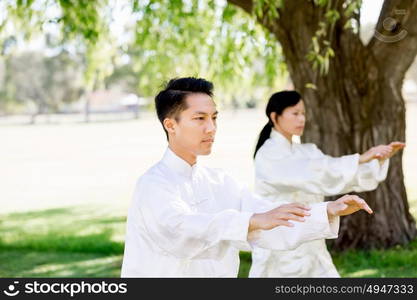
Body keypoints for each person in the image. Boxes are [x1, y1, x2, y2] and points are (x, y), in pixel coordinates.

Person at [121, 78, 373, 277]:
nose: (211, 128)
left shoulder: (218, 181)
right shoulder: (153, 185)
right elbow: (182, 230)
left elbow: (267, 213)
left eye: (214, 118)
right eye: (200, 118)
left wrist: (326, 210)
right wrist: (251, 220)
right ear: (171, 125)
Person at [249, 91, 405, 278]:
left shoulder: (307, 151)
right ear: (274, 117)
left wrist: (376, 160)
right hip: (282, 241)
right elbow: (315, 173)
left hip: (312, 241)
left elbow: (336, 177)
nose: (302, 119)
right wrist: (361, 158)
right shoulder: (268, 155)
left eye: (304, 113)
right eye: (295, 113)